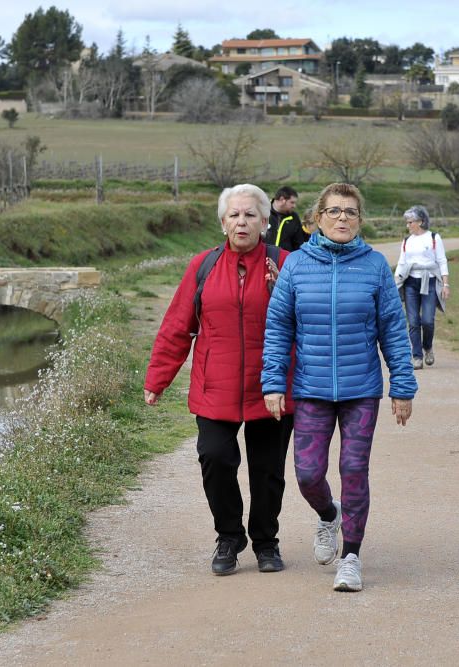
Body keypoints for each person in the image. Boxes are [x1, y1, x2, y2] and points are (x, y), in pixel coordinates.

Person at [262, 182, 417, 593]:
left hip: (360, 390)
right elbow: (278, 328)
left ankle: (351, 557)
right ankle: (328, 514)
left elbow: (394, 331)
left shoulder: (374, 265)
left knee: (353, 470)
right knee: (308, 474)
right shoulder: (296, 266)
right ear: (317, 219)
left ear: (359, 219)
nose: (342, 219)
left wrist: (402, 387)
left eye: (350, 212)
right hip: (310, 388)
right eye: (333, 211)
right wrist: (274, 383)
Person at [144, 183, 294, 576]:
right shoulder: (203, 266)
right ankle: (228, 536)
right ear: (223, 223)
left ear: (265, 221)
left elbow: (311, 323)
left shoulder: (287, 263)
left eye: (250, 215)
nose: (241, 222)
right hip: (216, 386)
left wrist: (283, 292)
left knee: (268, 471)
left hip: (272, 387)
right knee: (214, 457)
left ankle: (265, 542)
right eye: (234, 215)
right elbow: (179, 325)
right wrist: (158, 378)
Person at [394, 205, 449, 370]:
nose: (408, 225)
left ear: (420, 221)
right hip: (411, 282)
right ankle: (417, 356)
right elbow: (401, 263)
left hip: (430, 281)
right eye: (407, 222)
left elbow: (442, 261)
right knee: (413, 321)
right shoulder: (406, 241)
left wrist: (445, 284)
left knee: (427, 320)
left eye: (410, 222)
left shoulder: (434, 238)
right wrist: (394, 284)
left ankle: (428, 347)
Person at [265, 186, 304, 251]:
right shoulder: (262, 213)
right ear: (282, 199)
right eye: (292, 202)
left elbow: (298, 243)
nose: (294, 206)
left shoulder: (294, 218)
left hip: (286, 259)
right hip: (263, 259)